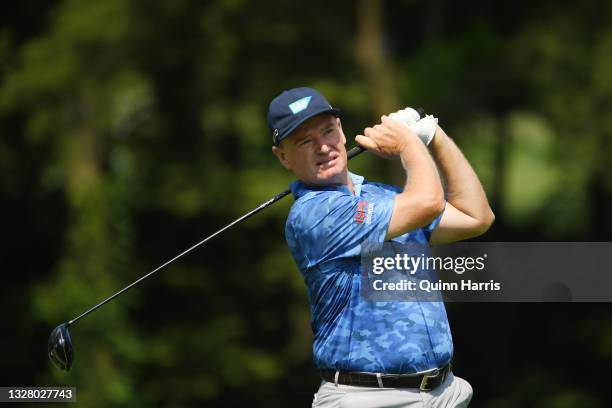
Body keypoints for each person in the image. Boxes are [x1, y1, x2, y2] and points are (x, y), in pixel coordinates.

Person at [268, 87, 494, 407]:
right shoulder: (313, 215)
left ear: (342, 131)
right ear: (283, 156)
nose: (323, 146)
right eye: (304, 141)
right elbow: (428, 202)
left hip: (443, 392)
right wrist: (408, 144)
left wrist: (434, 135)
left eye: (328, 131)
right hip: (368, 397)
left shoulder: (381, 196)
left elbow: (476, 217)